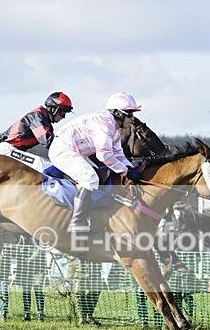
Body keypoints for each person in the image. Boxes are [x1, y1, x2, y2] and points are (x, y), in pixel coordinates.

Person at [49, 92, 143, 233]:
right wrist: (126, 171)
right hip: (62, 150)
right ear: (117, 112)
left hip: (75, 151)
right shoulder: (105, 124)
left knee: (99, 177)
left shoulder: (116, 129)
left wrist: (130, 168)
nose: (132, 119)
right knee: (89, 178)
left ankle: (89, 218)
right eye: (129, 114)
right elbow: (104, 155)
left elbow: (118, 154)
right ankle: (77, 222)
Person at [0, 91, 73, 173]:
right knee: (46, 166)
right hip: (8, 150)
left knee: (49, 166)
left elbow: (55, 142)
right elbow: (49, 142)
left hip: (15, 150)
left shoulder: (45, 120)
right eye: (62, 113)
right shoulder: (38, 117)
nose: (63, 117)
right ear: (54, 109)